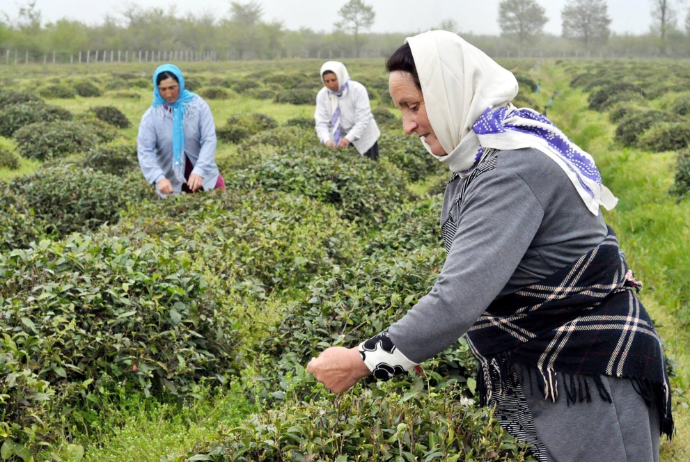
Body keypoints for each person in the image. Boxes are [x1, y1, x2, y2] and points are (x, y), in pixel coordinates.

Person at [306, 31, 672, 462]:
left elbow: (458, 299)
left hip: (586, 372)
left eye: (413, 106)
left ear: (449, 94)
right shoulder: (481, 156)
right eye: (401, 109)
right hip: (539, 363)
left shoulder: (509, 169)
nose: (406, 126)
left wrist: (361, 360)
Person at [137, 64, 224, 198]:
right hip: (171, 185)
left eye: (172, 87)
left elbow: (209, 140)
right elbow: (145, 150)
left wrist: (199, 171)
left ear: (180, 84)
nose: (168, 94)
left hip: (205, 179)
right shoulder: (152, 116)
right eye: (163, 89)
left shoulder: (198, 106)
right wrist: (158, 177)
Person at [314, 61, 381, 160]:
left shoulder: (357, 90)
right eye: (327, 81)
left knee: (370, 166)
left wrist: (348, 138)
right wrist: (327, 140)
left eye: (334, 80)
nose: (331, 84)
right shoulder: (323, 95)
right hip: (339, 138)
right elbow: (321, 122)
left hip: (364, 137)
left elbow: (362, 119)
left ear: (340, 76)